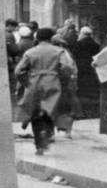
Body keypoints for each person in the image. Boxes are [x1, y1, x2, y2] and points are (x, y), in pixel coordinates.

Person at [14, 27, 74, 155]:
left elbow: (18, 71)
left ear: (37, 38)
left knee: (35, 112)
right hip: (52, 81)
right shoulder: (59, 51)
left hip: (34, 83)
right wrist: (62, 79)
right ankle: (47, 133)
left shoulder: (30, 52)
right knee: (50, 110)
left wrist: (26, 82)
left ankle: (39, 145)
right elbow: (67, 67)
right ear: (51, 38)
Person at [72, 26, 102, 117]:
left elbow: (74, 56)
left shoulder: (78, 44)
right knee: (92, 92)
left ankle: (85, 112)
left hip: (81, 71)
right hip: (92, 71)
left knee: (83, 92)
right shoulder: (96, 45)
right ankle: (94, 113)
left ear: (83, 34)